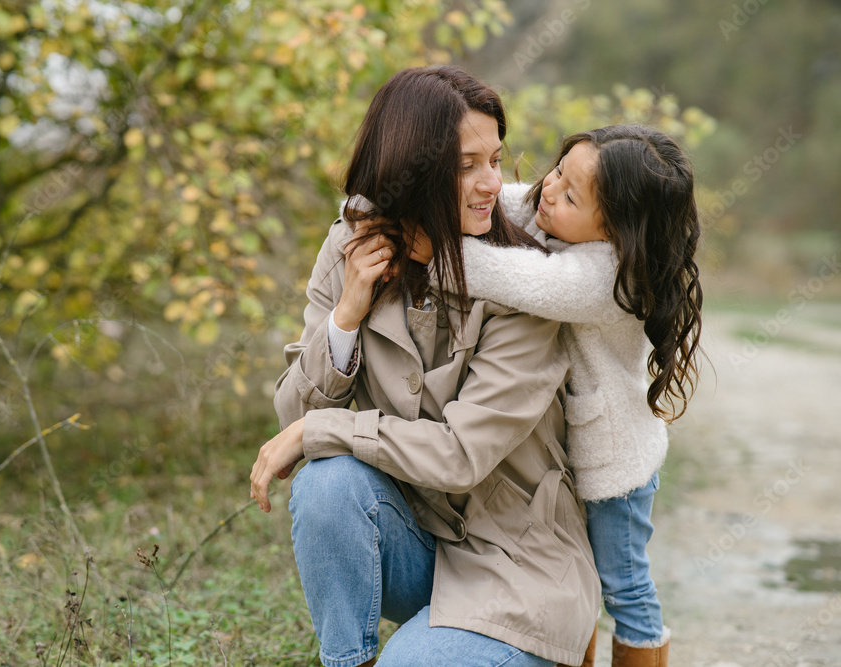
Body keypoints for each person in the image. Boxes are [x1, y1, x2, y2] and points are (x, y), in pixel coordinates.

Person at [249, 65, 600, 667]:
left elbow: (461, 455)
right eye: (467, 166)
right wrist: (345, 317)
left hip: (515, 568)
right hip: (416, 541)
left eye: (495, 159)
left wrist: (319, 430)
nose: (491, 182)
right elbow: (292, 415)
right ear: (411, 172)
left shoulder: (524, 279)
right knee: (327, 483)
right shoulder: (351, 247)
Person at [410, 125, 703, 666]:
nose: (548, 190)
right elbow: (500, 200)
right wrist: (382, 205)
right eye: (558, 172)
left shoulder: (611, 276)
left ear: (616, 230)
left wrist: (435, 252)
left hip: (612, 471)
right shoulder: (558, 212)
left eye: (570, 195)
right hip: (563, 458)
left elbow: (521, 277)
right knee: (572, 575)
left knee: (623, 586)